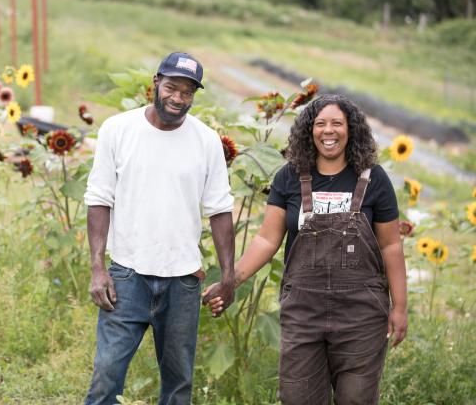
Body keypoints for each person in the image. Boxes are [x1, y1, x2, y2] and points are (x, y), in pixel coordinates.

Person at [203, 94, 408, 404]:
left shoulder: (373, 178)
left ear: (351, 129)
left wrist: (400, 307)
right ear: (309, 130)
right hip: (303, 312)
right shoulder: (289, 176)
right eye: (320, 123)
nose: (329, 131)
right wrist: (231, 280)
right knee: (299, 398)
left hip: (361, 314)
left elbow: (391, 245)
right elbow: (266, 240)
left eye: (337, 123)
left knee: (356, 400)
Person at [84, 52, 236, 405]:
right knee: (106, 376)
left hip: (182, 283)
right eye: (171, 88)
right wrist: (97, 268)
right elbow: (98, 198)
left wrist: (228, 276)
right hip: (126, 276)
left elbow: (220, 209)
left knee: (178, 383)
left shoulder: (206, 140)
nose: (178, 99)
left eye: (187, 93)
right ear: (155, 83)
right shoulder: (118, 129)